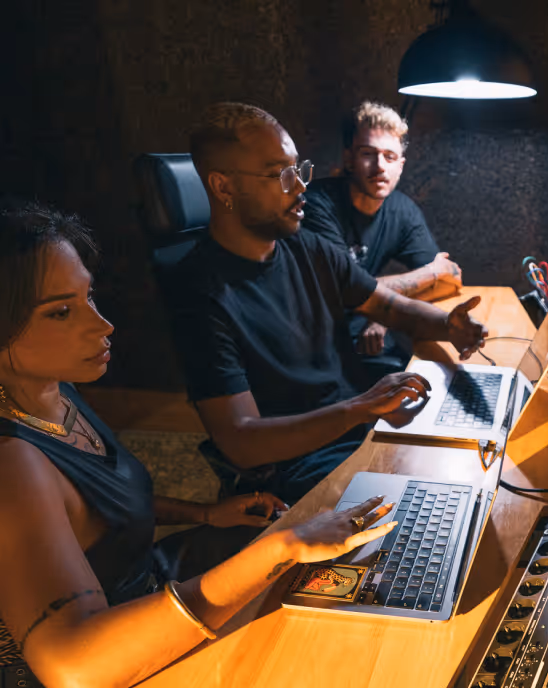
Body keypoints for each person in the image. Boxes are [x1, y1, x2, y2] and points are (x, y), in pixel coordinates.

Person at [0, 200, 397, 688]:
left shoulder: (49, 393)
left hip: (144, 595)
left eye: (89, 298)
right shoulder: (11, 462)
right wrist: (277, 549)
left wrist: (203, 512)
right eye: (60, 312)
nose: (102, 326)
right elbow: (75, 672)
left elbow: (89, 507)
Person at [162, 103, 487, 505]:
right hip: (299, 464)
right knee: (448, 501)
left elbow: (387, 308)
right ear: (224, 187)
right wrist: (360, 408)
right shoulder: (198, 294)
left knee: (473, 462)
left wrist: (446, 325)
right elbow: (242, 443)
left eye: (299, 169)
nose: (300, 187)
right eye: (280, 174)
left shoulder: (306, 246)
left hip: (358, 428)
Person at [303, 101, 462, 381]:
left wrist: (381, 316)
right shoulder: (317, 205)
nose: (379, 166)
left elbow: (450, 277)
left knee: (441, 379)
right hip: (312, 346)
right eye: (368, 154)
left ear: (401, 166)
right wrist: (428, 273)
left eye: (390, 157)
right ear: (349, 158)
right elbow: (342, 292)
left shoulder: (401, 209)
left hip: (367, 341)